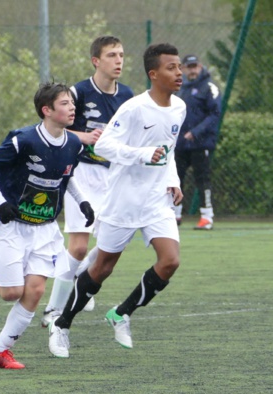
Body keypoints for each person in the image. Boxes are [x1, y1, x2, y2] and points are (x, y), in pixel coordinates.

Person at [47, 43, 186, 358]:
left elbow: (169, 149)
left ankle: (122, 313)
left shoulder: (179, 107)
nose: (178, 73)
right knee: (102, 268)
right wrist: (141, 154)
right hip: (122, 200)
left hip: (155, 201)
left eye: (179, 67)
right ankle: (63, 323)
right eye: (171, 68)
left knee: (170, 261)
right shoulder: (135, 107)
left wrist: (173, 179)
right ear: (154, 74)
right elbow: (105, 146)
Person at [0, 82, 95, 369]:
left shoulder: (74, 143)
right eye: (64, 103)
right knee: (11, 293)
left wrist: (83, 201)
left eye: (72, 103)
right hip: (12, 225)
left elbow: (66, 176)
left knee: (34, 291)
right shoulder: (24, 139)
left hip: (45, 229)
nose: (72, 107)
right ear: (46, 110)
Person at [40, 35, 135, 328]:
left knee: (110, 244)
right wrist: (85, 137)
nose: (118, 60)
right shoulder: (78, 92)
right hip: (81, 173)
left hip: (113, 177)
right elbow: (55, 128)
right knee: (79, 247)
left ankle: (79, 277)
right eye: (111, 55)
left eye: (121, 55)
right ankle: (53, 310)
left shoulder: (128, 96)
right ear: (96, 61)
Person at [173, 54, 221, 230]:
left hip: (201, 144)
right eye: (189, 67)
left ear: (200, 67)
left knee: (202, 180)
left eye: (195, 66)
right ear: (184, 69)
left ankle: (206, 217)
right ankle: (175, 215)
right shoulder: (180, 88)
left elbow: (214, 114)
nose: (192, 70)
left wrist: (195, 132)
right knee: (175, 179)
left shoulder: (209, 88)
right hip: (180, 144)